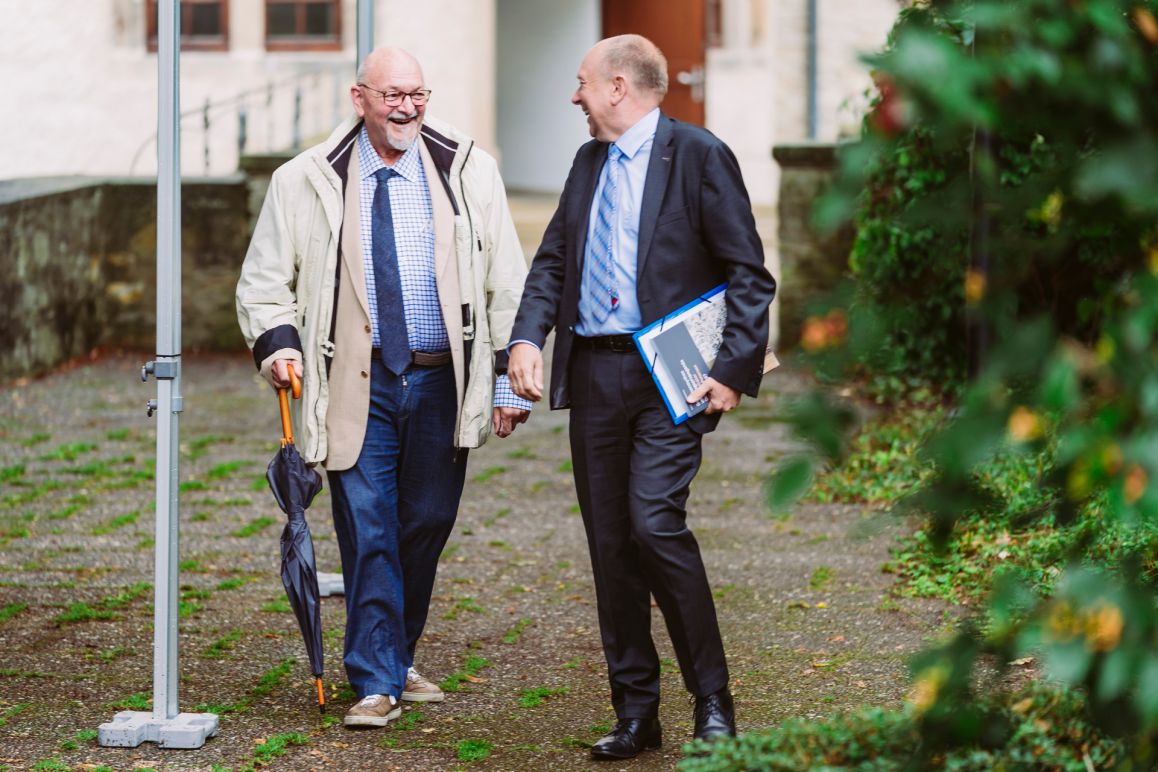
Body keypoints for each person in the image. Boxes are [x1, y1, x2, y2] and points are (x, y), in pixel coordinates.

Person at [236, 46, 531, 729]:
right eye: (393, 94)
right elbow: (263, 280)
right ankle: (375, 679)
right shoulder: (305, 179)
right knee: (368, 528)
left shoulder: (468, 170)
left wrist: (511, 376)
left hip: (439, 380)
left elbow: (505, 282)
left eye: (418, 94)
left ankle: (395, 655)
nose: (407, 107)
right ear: (359, 97)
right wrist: (279, 344)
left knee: (424, 524)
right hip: (352, 380)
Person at [507, 34, 776, 760]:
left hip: (671, 376)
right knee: (611, 546)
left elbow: (748, 273)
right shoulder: (587, 162)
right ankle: (636, 713)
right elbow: (554, 260)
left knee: (654, 524)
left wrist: (733, 366)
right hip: (593, 374)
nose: (575, 96)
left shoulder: (697, 155)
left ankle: (713, 700)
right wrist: (526, 340)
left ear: (618, 86)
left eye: (582, 83)